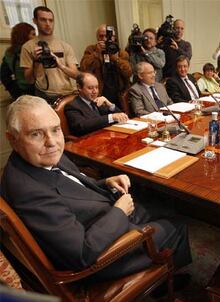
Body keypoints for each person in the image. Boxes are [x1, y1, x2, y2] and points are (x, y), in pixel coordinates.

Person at [1, 95, 192, 281]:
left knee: (166, 207)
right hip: (104, 254)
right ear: (13, 139)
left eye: (55, 130)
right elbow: (82, 253)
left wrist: (106, 182)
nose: (51, 142)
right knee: (176, 223)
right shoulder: (28, 192)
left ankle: (168, 268)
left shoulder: (40, 157)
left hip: (103, 218)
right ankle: (166, 281)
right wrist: (119, 211)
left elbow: (71, 186)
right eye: (36, 134)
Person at [20, 6, 78, 104]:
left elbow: (76, 75)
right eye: (43, 20)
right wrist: (36, 62)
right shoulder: (27, 47)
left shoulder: (65, 46)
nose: (48, 24)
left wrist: (61, 66)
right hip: (44, 96)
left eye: (51, 20)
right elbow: (29, 80)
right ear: (35, 21)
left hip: (68, 94)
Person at [80, 24, 132, 110]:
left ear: (114, 38)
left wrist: (115, 58)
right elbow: (84, 68)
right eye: (101, 36)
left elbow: (128, 73)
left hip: (119, 94)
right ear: (97, 37)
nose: (104, 39)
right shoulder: (91, 49)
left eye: (108, 36)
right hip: (100, 93)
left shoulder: (120, 52)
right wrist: (96, 53)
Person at [64, 73, 129, 136]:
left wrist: (110, 105)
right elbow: (81, 126)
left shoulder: (97, 101)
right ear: (79, 87)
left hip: (105, 136)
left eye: (97, 87)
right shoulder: (72, 106)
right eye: (90, 88)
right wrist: (111, 117)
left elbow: (122, 116)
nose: (95, 91)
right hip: (88, 141)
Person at [1, 22, 35, 99]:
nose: (35, 38)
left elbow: (4, 76)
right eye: (33, 34)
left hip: (20, 91)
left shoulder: (9, 53)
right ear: (24, 36)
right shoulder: (28, 52)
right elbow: (4, 76)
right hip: (30, 90)